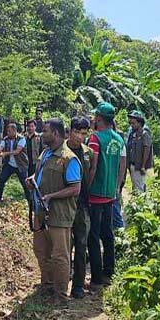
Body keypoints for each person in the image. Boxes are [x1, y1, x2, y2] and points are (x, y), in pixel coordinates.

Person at [26, 119, 81, 306]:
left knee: (60, 255)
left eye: (46, 131)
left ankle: (60, 295)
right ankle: (47, 284)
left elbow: (75, 188)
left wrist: (52, 196)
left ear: (56, 134)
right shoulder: (45, 153)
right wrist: (33, 179)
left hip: (59, 215)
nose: (42, 134)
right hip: (41, 213)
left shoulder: (69, 159)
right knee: (41, 249)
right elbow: (41, 173)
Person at [86, 102, 126, 288]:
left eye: (95, 117)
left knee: (93, 236)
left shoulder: (95, 138)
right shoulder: (118, 139)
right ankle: (109, 271)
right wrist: (117, 187)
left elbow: (92, 167)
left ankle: (96, 277)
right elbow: (121, 166)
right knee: (107, 233)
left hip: (95, 193)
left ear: (99, 119)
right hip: (110, 193)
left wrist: (86, 187)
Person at [66, 116, 94, 299]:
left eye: (83, 133)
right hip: (64, 204)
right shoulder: (62, 150)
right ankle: (62, 278)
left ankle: (77, 285)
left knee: (81, 245)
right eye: (77, 132)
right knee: (64, 245)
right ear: (70, 131)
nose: (79, 137)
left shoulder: (88, 152)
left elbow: (91, 173)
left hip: (82, 204)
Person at [0, 123, 31, 205]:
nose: (7, 133)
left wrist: (5, 154)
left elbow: (17, 151)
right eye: (7, 131)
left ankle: (31, 203)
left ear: (15, 131)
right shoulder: (5, 139)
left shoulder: (21, 139)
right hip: (9, 165)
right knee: (1, 180)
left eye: (9, 131)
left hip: (21, 165)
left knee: (25, 185)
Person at [127, 110, 153, 193]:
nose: (132, 125)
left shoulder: (145, 134)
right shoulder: (132, 134)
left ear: (140, 123)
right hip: (132, 164)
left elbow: (147, 149)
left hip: (139, 166)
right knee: (135, 186)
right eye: (131, 123)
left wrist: (143, 166)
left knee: (139, 188)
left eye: (133, 123)